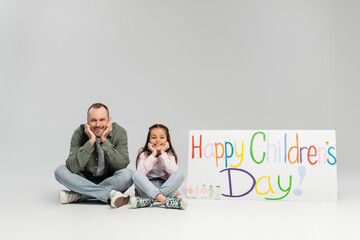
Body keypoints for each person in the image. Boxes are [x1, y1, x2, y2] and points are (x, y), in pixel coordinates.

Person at [54, 103, 133, 208]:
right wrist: (91, 141)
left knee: (128, 175)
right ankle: (110, 194)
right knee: (60, 171)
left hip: (109, 179)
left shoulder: (120, 132)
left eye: (102, 120)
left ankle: (79, 196)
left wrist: (105, 140)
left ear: (109, 120)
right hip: (83, 179)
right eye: (93, 120)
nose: (98, 124)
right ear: (88, 121)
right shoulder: (79, 133)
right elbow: (72, 167)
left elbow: (122, 164)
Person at [130, 124, 187, 209]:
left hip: (166, 187)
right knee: (136, 174)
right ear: (149, 140)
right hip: (147, 188)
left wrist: (163, 154)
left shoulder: (169, 154)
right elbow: (141, 171)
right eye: (154, 137)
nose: (158, 140)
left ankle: (149, 200)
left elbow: (173, 171)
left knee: (180, 173)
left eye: (162, 137)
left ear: (167, 140)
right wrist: (153, 154)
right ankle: (166, 201)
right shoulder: (143, 153)